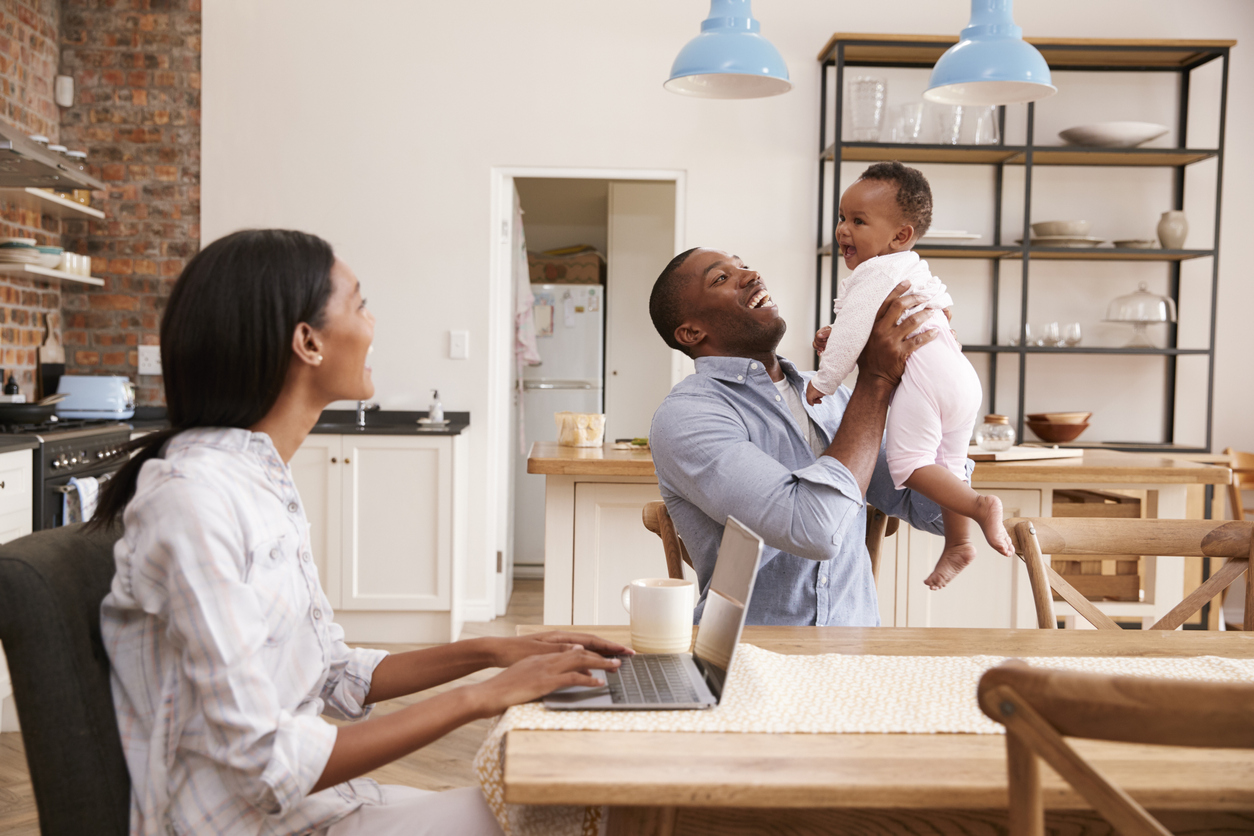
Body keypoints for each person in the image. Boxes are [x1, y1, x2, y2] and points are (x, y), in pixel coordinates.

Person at [95, 229, 628, 836]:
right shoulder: (193, 502)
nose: (373, 323)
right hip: (261, 827)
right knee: (598, 818)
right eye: (360, 303)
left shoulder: (258, 479)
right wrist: (484, 695)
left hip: (327, 807)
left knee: (594, 805)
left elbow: (334, 673)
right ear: (308, 341)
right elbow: (265, 767)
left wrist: (494, 653)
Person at [647, 246, 963, 627]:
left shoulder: (834, 399)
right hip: (748, 655)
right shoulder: (688, 416)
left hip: (854, 656)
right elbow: (813, 530)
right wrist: (876, 380)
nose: (750, 275)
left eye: (744, 265)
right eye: (721, 278)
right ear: (692, 332)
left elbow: (935, 513)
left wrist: (938, 380)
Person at [805, 162, 1013, 590]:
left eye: (859, 221)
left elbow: (855, 334)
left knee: (912, 463)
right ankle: (959, 543)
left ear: (900, 236)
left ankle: (979, 505)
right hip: (957, 375)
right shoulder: (910, 270)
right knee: (948, 463)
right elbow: (879, 328)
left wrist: (822, 382)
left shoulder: (875, 273)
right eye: (842, 218)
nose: (844, 230)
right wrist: (840, 338)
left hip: (926, 381)